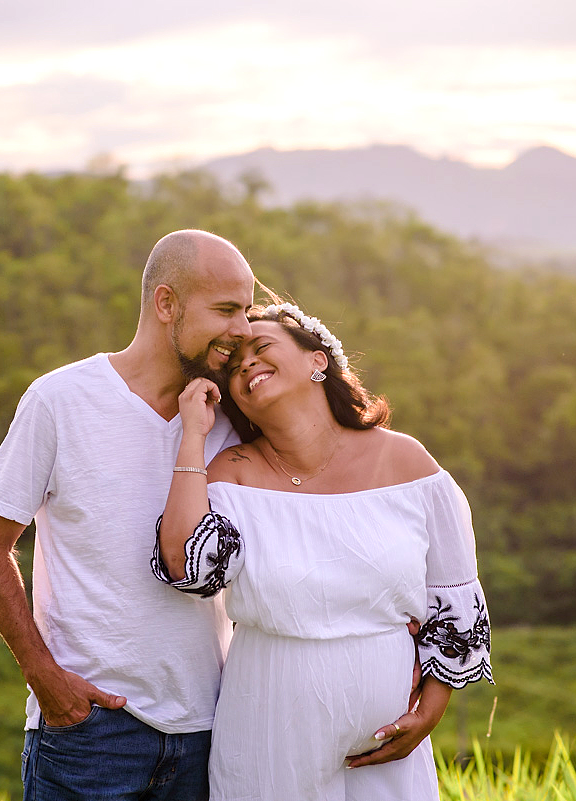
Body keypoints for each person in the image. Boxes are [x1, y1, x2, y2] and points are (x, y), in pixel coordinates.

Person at [154, 302, 494, 801]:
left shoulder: (406, 462)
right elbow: (187, 568)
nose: (245, 363)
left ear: (318, 362)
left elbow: (454, 595)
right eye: (233, 366)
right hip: (266, 732)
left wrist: (431, 709)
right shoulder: (235, 470)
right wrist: (193, 437)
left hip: (386, 744)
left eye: (261, 347)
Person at [0, 229, 257, 801]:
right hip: (91, 733)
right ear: (166, 303)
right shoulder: (59, 401)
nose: (242, 329)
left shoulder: (233, 416)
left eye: (246, 311)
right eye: (226, 309)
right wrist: (44, 677)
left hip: (210, 731)